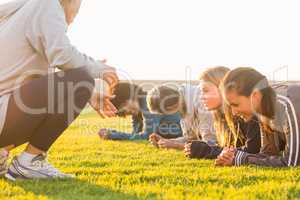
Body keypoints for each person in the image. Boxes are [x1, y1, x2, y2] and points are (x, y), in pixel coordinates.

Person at [0, 0, 119, 180]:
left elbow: (38, 79)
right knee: (82, 77)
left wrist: (90, 93)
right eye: (76, 12)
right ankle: (30, 162)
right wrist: (99, 70)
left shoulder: (22, 12)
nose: (72, 20)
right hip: (4, 112)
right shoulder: (47, 4)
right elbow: (63, 56)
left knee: (81, 80)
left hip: (6, 112)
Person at [216, 67, 300, 167]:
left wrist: (241, 159)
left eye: (235, 105)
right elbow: (268, 153)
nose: (233, 113)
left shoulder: (287, 103)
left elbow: (292, 162)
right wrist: (234, 156)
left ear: (255, 96)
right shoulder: (263, 107)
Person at [184, 67, 261, 159]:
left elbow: (252, 150)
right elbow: (234, 147)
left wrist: (206, 151)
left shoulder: (248, 112)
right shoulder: (224, 117)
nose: (201, 97)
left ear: (222, 89)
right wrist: (203, 148)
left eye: (205, 91)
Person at [98, 82, 183, 140]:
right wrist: (111, 132)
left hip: (179, 134)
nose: (126, 111)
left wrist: (113, 135)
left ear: (130, 97)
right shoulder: (137, 110)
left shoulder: (150, 104)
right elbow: (135, 134)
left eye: (124, 105)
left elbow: (147, 136)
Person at [148, 83, 216, 150]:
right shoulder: (183, 101)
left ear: (171, 107)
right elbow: (191, 138)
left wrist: (177, 146)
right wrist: (166, 141)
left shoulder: (201, 102)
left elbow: (210, 144)